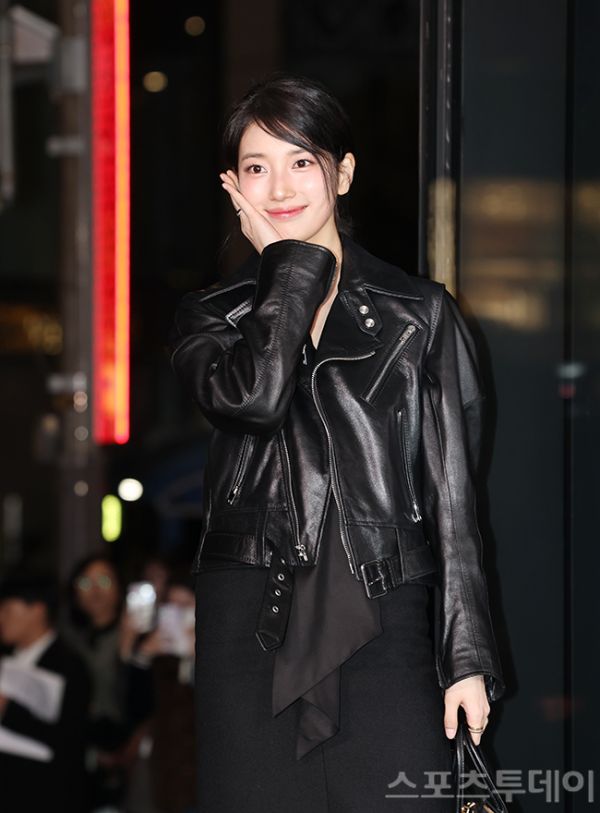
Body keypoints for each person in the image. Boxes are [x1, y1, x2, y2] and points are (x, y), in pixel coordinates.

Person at [168, 71, 506, 812]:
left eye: (302, 161)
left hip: (387, 620)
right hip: (249, 625)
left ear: (343, 172)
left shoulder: (419, 313)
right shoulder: (211, 316)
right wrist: (289, 271)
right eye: (257, 167)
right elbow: (252, 400)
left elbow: (454, 502)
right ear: (233, 186)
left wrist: (467, 656)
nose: (280, 186)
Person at [0, 571, 91, 813]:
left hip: (45, 795)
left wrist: (8, 710)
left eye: (7, 609)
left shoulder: (68, 665)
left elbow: (70, 739)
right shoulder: (6, 659)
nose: (1, 617)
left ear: (37, 610)